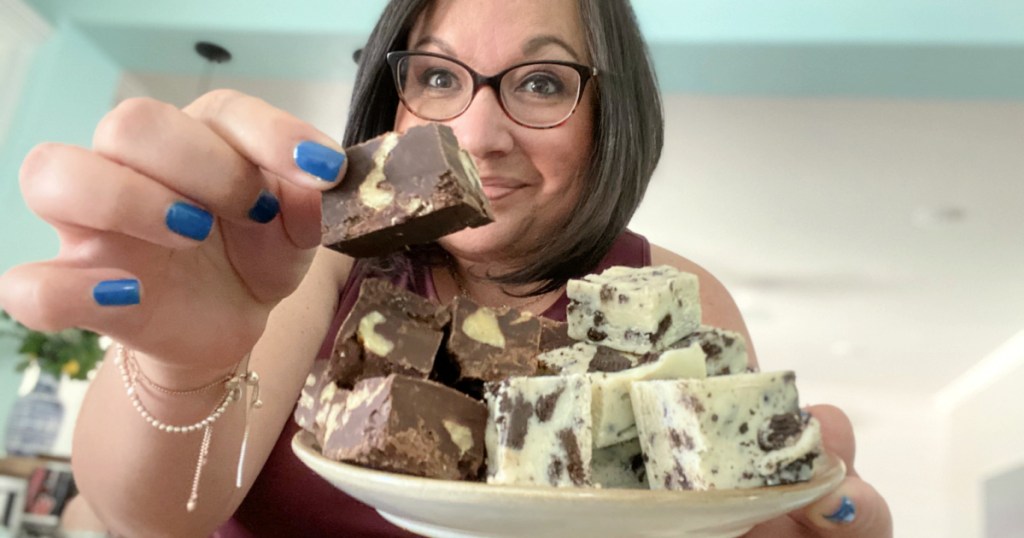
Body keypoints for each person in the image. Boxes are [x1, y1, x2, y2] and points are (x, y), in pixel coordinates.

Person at [0, 0, 893, 536]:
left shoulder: (681, 299)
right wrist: (181, 366)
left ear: (609, 113)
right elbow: (151, 522)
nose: (477, 132)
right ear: (393, 96)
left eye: (541, 84)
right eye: (437, 76)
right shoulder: (303, 259)